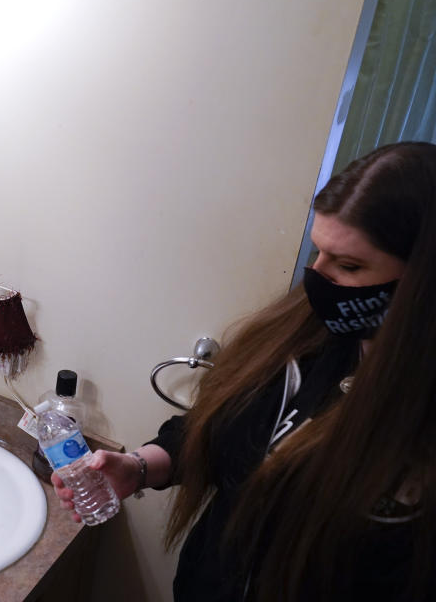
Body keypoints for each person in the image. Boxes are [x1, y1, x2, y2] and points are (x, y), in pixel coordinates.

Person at [52, 141, 436, 601]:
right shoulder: (299, 337)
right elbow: (215, 432)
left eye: (349, 265)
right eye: (318, 253)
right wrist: (137, 468)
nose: (316, 277)